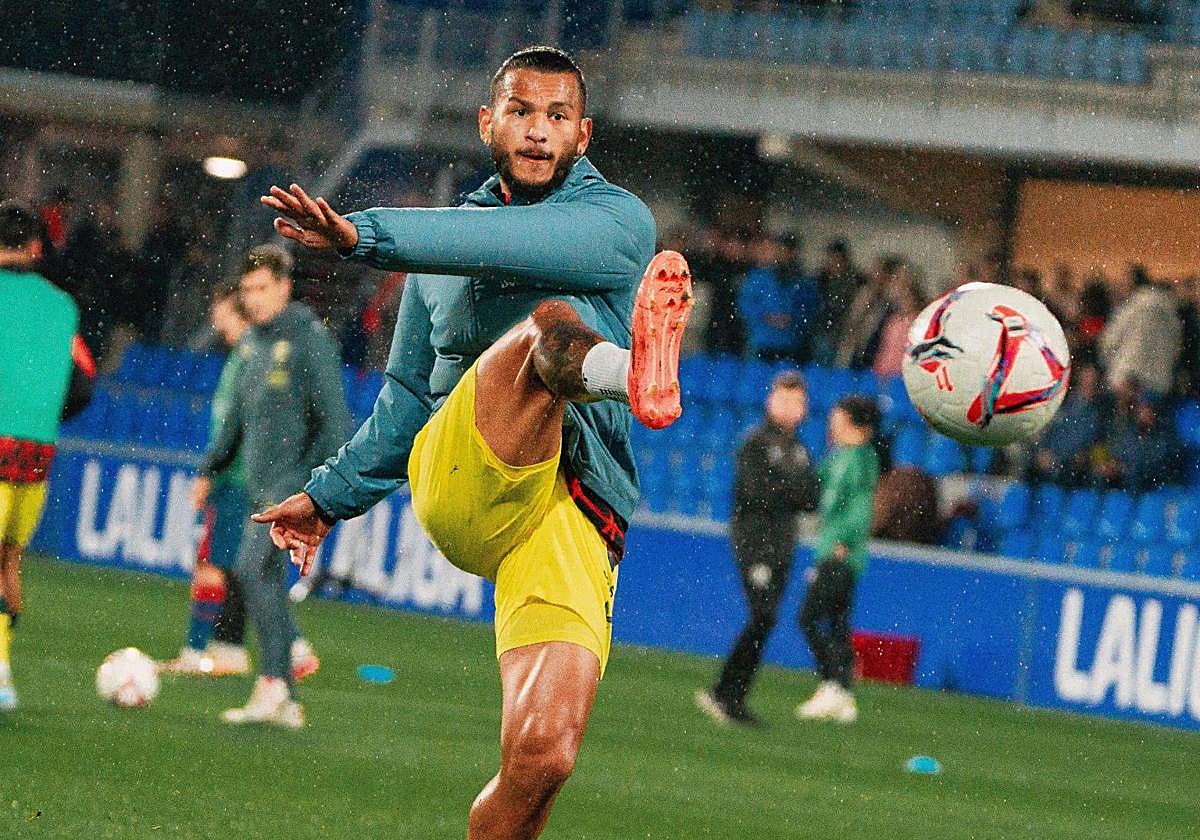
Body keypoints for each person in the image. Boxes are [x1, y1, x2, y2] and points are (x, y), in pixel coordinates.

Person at [251, 46, 690, 839]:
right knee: (546, 325)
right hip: (466, 473)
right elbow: (407, 399)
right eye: (521, 112)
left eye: (557, 117)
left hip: (575, 506)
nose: (537, 131)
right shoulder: (440, 245)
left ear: (582, 136)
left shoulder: (621, 224)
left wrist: (372, 236)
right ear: (489, 123)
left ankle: (626, 371)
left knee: (543, 760)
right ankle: (634, 371)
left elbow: (517, 246)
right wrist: (328, 496)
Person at [194, 244, 350, 726]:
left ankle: (275, 685)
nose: (254, 299)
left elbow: (336, 424)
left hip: (291, 490)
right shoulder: (252, 345)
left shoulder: (309, 339)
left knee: (251, 571)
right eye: (247, 291)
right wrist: (209, 469)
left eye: (263, 288)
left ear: (284, 287)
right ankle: (284, 693)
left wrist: (312, 490)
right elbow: (237, 422)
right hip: (259, 489)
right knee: (260, 580)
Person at [0, 200, 96, 711]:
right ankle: (2, 670)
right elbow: (83, 385)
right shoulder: (63, 307)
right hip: (34, 456)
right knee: (9, 562)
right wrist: (38, 412)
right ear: (36, 248)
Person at [695, 371, 818, 726]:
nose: (791, 407)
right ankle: (724, 692)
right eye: (784, 398)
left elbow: (811, 497)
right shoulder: (757, 442)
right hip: (755, 540)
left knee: (766, 618)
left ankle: (732, 695)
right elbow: (756, 493)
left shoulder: (799, 450)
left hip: (783, 543)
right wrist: (789, 491)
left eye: (797, 401)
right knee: (763, 615)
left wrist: (786, 490)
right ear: (770, 400)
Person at [795, 395, 881, 725]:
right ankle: (842, 694)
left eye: (837, 416)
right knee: (838, 623)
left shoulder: (859, 460)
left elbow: (860, 506)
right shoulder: (841, 457)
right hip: (835, 549)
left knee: (809, 618)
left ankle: (832, 683)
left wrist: (844, 541)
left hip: (839, 552)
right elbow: (814, 489)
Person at [1099, 265, 1182, 398]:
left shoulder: (1130, 308)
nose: (1120, 287)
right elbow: (1177, 345)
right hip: (1160, 382)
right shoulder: (1170, 309)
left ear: (1132, 283)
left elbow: (1109, 342)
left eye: (1123, 283)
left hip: (1128, 382)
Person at [736, 234, 819, 364]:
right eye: (782, 250)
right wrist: (767, 317)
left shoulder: (803, 280)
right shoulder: (758, 277)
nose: (785, 255)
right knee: (757, 377)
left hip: (792, 343)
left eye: (789, 251)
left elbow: (810, 308)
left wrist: (792, 319)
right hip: (762, 341)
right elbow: (745, 305)